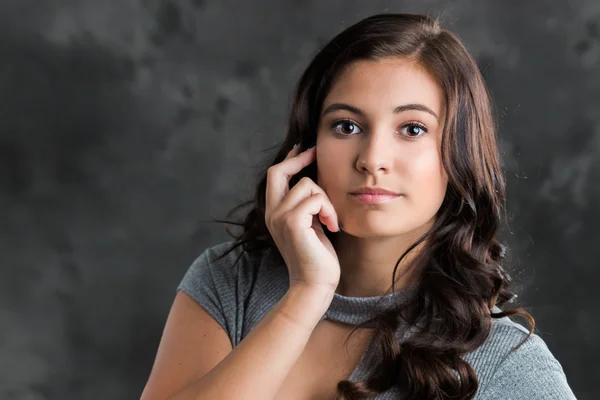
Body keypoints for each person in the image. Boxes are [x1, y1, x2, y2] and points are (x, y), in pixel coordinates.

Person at [140, 13, 577, 400]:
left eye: (412, 128)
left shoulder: (505, 364)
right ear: (308, 146)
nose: (372, 159)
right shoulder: (231, 282)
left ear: (459, 154)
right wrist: (305, 295)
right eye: (346, 126)